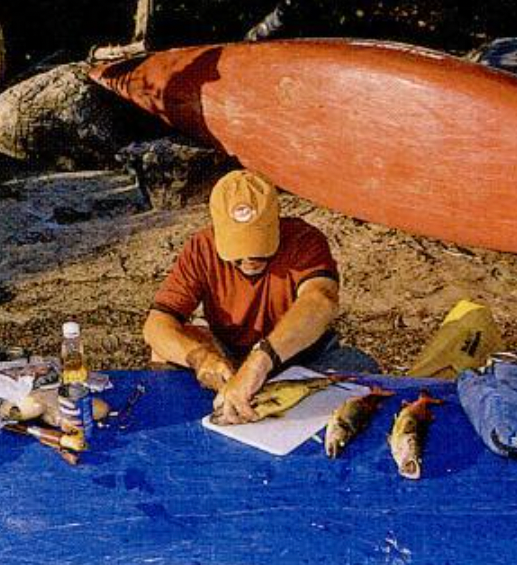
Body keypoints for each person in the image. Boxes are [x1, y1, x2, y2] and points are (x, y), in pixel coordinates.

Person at [143, 169, 376, 425]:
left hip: (301, 355)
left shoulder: (304, 240)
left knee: (362, 373)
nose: (249, 260)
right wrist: (201, 358)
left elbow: (321, 300)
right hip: (230, 356)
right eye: (238, 249)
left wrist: (260, 361)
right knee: (164, 350)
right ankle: (180, 430)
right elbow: (157, 325)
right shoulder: (201, 248)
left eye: (259, 246)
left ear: (276, 221)